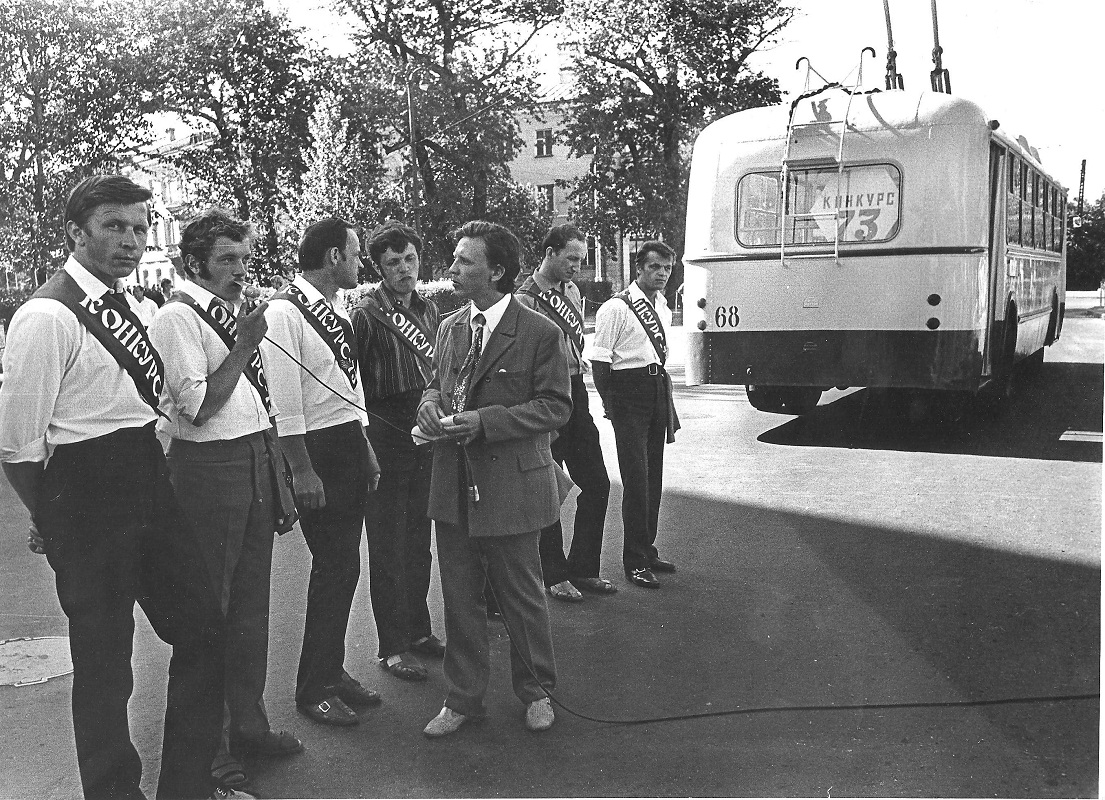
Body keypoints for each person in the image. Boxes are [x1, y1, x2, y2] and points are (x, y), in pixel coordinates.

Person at [0, 174, 229, 799]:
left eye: (137, 227)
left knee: (204, 629)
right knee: (104, 668)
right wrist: (50, 514)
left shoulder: (136, 307)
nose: (130, 240)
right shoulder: (46, 315)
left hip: (148, 479)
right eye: (113, 226)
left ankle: (187, 786)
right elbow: (17, 444)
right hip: (83, 490)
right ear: (76, 233)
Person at [149, 209, 303, 793]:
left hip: (252, 460)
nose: (240, 271)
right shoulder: (176, 318)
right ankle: (208, 754)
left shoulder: (231, 313)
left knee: (249, 609)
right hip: (207, 470)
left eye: (244, 258)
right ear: (194, 263)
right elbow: (199, 407)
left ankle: (248, 724)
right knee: (210, 616)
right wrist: (243, 346)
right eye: (226, 260)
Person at [416, 220, 572, 738]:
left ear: (497, 271)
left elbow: (555, 407)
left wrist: (486, 422)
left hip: (512, 485)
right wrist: (429, 409)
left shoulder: (540, 332)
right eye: (454, 260)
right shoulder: (450, 326)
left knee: (521, 596)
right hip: (454, 483)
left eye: (464, 261)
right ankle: (462, 699)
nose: (452, 270)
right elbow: (436, 387)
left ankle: (536, 692)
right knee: (460, 598)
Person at [260, 217, 383, 727]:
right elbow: (286, 404)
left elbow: (347, 389)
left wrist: (366, 445)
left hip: (347, 442)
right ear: (334, 257)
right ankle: (314, 688)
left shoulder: (335, 307)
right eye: (356, 254)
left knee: (345, 568)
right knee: (333, 569)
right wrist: (302, 471)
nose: (361, 264)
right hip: (314, 450)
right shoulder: (285, 313)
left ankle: (331, 670)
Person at [351, 221, 444, 683]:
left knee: (418, 537)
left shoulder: (428, 310)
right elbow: (356, 385)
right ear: (379, 268)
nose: (404, 269)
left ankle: (419, 628)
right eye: (393, 263)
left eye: (409, 259)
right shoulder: (366, 315)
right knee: (388, 543)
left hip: (424, 429)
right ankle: (392, 644)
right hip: (386, 431)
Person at [516, 224, 614, 601]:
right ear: (550, 252)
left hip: (576, 392)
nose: (577, 267)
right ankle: (554, 574)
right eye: (571, 258)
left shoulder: (572, 291)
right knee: (548, 490)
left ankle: (584, 568)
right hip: (545, 396)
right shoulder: (525, 299)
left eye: (581, 260)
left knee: (597, 483)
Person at [588, 241, 681, 589]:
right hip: (628, 393)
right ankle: (635, 561)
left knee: (653, 475)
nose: (661, 274)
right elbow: (600, 360)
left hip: (656, 390)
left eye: (667, 269)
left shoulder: (664, 308)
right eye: (655, 267)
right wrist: (610, 402)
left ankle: (647, 547)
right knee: (636, 480)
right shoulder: (616, 308)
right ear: (638, 268)